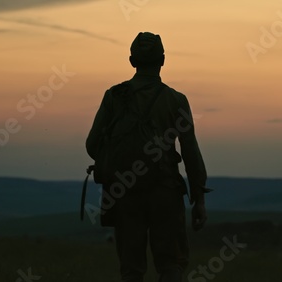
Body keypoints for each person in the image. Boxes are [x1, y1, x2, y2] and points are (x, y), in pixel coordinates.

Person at [86, 32, 210, 282]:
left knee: (131, 269)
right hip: (165, 191)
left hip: (124, 192)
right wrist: (198, 198)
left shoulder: (114, 96)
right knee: (171, 264)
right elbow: (190, 152)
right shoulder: (176, 100)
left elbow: (92, 145)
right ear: (163, 60)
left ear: (132, 61)